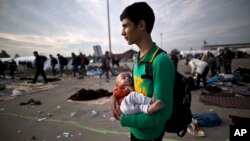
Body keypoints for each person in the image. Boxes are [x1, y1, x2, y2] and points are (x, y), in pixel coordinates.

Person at [111, 2, 175, 141]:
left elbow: (162, 113)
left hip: (150, 134)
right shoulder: (137, 58)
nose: (122, 32)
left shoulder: (161, 62)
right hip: (136, 129)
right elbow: (132, 88)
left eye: (126, 26)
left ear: (141, 25)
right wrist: (114, 97)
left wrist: (124, 118)